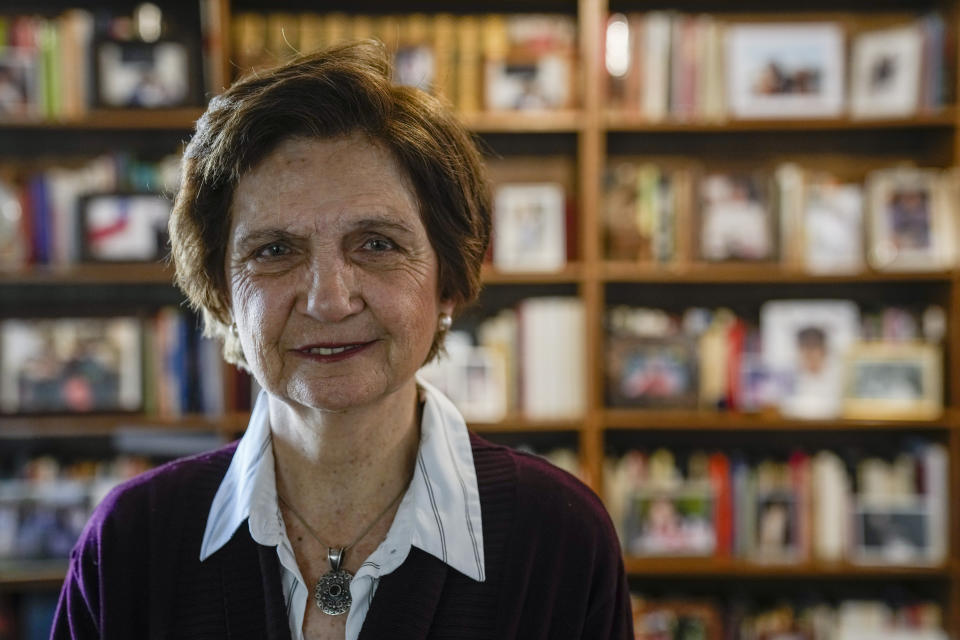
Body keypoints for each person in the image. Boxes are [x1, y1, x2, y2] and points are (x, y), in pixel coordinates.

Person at [51, 41, 632, 639]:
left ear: (449, 282)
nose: (329, 300)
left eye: (377, 244)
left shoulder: (559, 537)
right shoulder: (129, 542)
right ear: (221, 292)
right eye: (274, 251)